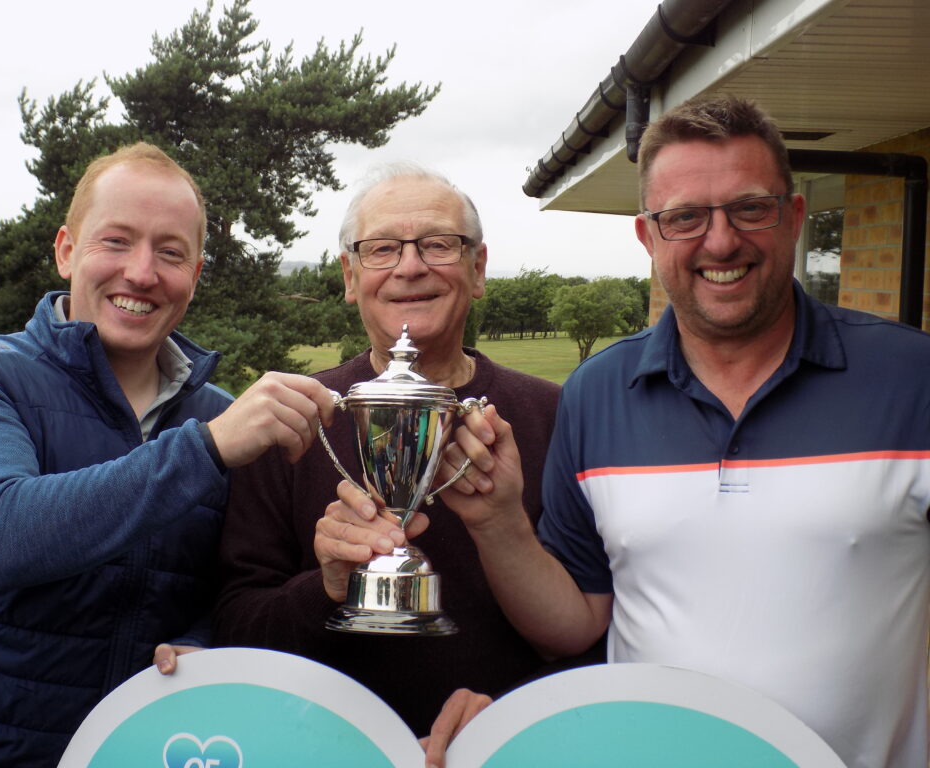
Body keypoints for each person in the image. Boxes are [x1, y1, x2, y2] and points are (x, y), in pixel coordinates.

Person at [329, 95, 930, 768]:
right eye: (685, 218)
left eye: (749, 208)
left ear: (793, 218)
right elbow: (576, 624)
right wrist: (499, 523)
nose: (721, 240)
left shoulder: (913, 379)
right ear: (648, 237)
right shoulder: (597, 394)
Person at [0, 142, 334, 767]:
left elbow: (225, 586)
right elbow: (2, 535)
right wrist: (207, 450)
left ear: (196, 273)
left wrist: (202, 642)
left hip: (141, 754)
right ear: (65, 250)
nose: (141, 272)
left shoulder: (215, 413)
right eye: (116, 241)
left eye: (170, 253)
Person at [212, 164, 598, 741]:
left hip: (504, 749)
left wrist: (509, 718)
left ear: (479, 269)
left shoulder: (558, 414)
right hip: (323, 748)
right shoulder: (291, 423)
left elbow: (595, 628)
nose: (410, 266)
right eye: (382, 249)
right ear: (349, 275)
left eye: (438, 245)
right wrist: (326, 585)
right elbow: (236, 629)